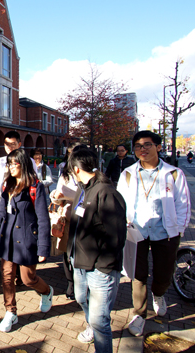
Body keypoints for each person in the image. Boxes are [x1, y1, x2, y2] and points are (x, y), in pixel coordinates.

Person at [117, 130, 191, 337]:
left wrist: (179, 230)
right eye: (138, 146)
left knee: (164, 272)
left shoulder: (174, 174)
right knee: (137, 275)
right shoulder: (128, 174)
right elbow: (121, 202)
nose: (143, 149)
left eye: (147, 145)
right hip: (136, 232)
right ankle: (139, 314)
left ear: (158, 147)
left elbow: (183, 204)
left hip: (166, 233)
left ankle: (159, 294)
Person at [66, 149, 127, 352]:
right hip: (79, 262)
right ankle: (91, 326)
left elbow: (116, 235)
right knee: (81, 298)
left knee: (101, 320)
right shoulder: (83, 190)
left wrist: (104, 266)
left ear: (76, 169)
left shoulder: (106, 192)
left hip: (100, 268)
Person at [0, 149, 54, 332]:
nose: (10, 167)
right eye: (8, 164)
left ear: (23, 165)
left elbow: (43, 219)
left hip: (27, 240)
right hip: (7, 238)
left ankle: (46, 291)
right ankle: (11, 312)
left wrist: (43, 247)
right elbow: (1, 212)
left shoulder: (35, 187)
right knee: (7, 277)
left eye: (14, 164)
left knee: (27, 279)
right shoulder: (7, 185)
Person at [49, 143, 88, 300]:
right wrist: (56, 197)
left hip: (86, 221)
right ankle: (71, 283)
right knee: (67, 253)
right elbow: (59, 199)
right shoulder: (65, 174)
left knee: (82, 254)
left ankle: (83, 285)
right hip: (68, 218)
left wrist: (72, 196)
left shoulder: (92, 174)